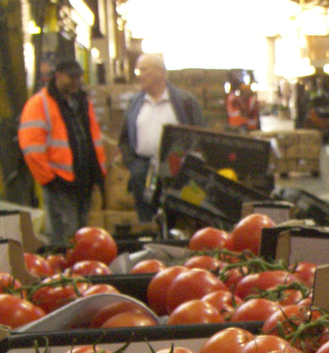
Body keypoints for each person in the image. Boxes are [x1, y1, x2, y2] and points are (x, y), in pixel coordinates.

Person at [18, 57, 106, 247]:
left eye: (79, 77)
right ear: (57, 76)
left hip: (83, 180)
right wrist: (49, 179)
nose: (76, 81)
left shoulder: (82, 102)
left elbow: (93, 138)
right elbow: (32, 147)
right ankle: (64, 271)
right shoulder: (39, 104)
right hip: (59, 182)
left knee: (81, 236)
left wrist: (99, 173)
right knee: (65, 237)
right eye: (71, 77)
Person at [119, 53, 204, 222]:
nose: (139, 75)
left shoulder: (184, 102)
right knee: (147, 217)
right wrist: (133, 164)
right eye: (138, 70)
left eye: (144, 70)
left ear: (160, 72)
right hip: (143, 169)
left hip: (176, 168)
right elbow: (124, 138)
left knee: (177, 215)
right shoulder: (135, 103)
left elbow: (201, 135)